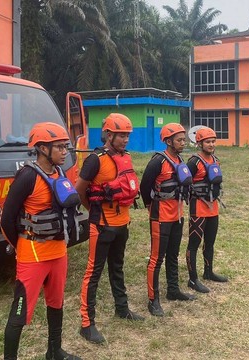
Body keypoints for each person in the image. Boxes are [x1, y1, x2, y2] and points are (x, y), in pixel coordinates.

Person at [0, 122, 81, 360]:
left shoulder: (60, 173)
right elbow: (6, 219)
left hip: (59, 253)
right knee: (20, 312)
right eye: (60, 147)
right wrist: (21, 245)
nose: (65, 151)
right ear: (43, 148)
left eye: (66, 146)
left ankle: (54, 351)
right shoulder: (27, 176)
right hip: (33, 255)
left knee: (56, 303)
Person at [76, 113, 144, 344]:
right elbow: (79, 190)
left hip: (122, 223)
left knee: (117, 267)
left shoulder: (126, 157)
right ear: (108, 134)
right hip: (102, 225)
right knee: (93, 274)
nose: (125, 139)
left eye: (127, 135)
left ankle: (122, 308)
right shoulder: (95, 159)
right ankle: (87, 323)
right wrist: (94, 210)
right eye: (121, 135)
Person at [140, 123, 196, 317]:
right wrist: (150, 205)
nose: (183, 142)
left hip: (177, 215)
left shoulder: (180, 159)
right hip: (161, 215)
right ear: (168, 141)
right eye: (179, 140)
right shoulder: (158, 161)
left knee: (173, 255)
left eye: (183, 139)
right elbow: (144, 185)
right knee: (157, 258)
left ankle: (173, 290)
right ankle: (152, 299)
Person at [186, 126, 228, 294]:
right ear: (199, 143)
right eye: (207, 142)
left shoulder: (215, 160)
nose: (211, 144)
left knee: (209, 242)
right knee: (194, 244)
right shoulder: (194, 162)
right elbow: (184, 181)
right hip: (198, 208)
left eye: (213, 141)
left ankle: (208, 272)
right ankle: (192, 279)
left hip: (213, 207)